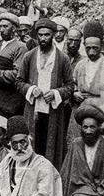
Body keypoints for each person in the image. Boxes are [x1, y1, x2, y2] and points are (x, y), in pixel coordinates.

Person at [16, 18, 75, 170]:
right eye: (40, 35)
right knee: (32, 146)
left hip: (53, 113)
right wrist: (31, 89)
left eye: (47, 35)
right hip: (33, 112)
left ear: (53, 35)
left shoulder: (63, 59)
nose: (43, 38)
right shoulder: (29, 56)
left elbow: (70, 86)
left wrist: (56, 93)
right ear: (36, 35)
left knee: (50, 151)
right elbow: (19, 81)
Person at [61, 104, 104, 196]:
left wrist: (100, 189)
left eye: (92, 127)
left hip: (101, 191)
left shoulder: (103, 145)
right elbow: (68, 175)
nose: (88, 131)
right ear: (81, 128)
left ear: (98, 128)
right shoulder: (76, 144)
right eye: (85, 127)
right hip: (80, 192)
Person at [69, 21, 104, 144]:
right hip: (80, 114)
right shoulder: (81, 64)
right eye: (88, 48)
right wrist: (74, 93)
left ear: (102, 45)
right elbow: (71, 84)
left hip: (101, 114)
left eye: (95, 48)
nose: (91, 52)